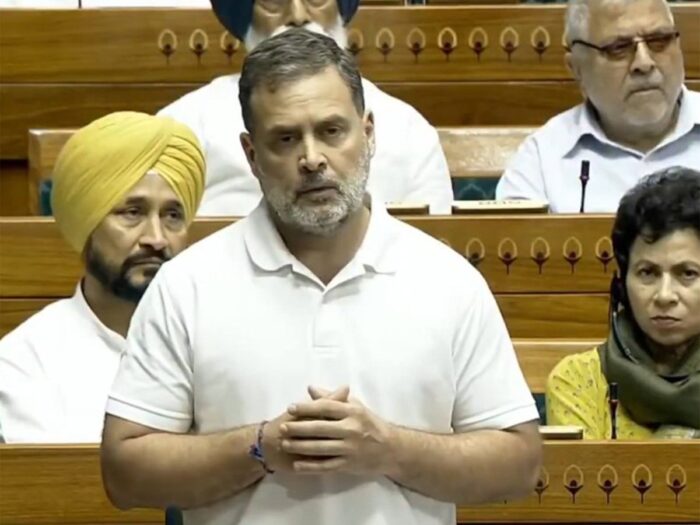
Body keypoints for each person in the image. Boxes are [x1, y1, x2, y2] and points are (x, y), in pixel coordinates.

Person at [101, 29, 542, 525]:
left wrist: (389, 450)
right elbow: (124, 472)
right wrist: (261, 447)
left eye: (332, 131)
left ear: (368, 134)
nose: (312, 159)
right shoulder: (186, 285)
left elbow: (520, 463)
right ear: (251, 155)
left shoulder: (448, 281)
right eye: (286, 139)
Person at [0, 112, 205, 443]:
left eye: (172, 216)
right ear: (87, 225)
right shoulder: (25, 365)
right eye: (132, 213)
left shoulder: (224, 339)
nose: (156, 238)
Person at [158, 0, 453, 215]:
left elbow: (438, 244)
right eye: (273, 2)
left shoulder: (408, 129)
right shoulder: (187, 123)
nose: (298, 16)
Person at [496, 0, 700, 213]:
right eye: (618, 48)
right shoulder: (541, 160)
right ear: (577, 68)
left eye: (659, 40)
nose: (644, 63)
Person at [547, 167, 700, 439]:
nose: (664, 295)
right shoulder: (577, 379)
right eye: (647, 273)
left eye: (687, 273)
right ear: (622, 281)